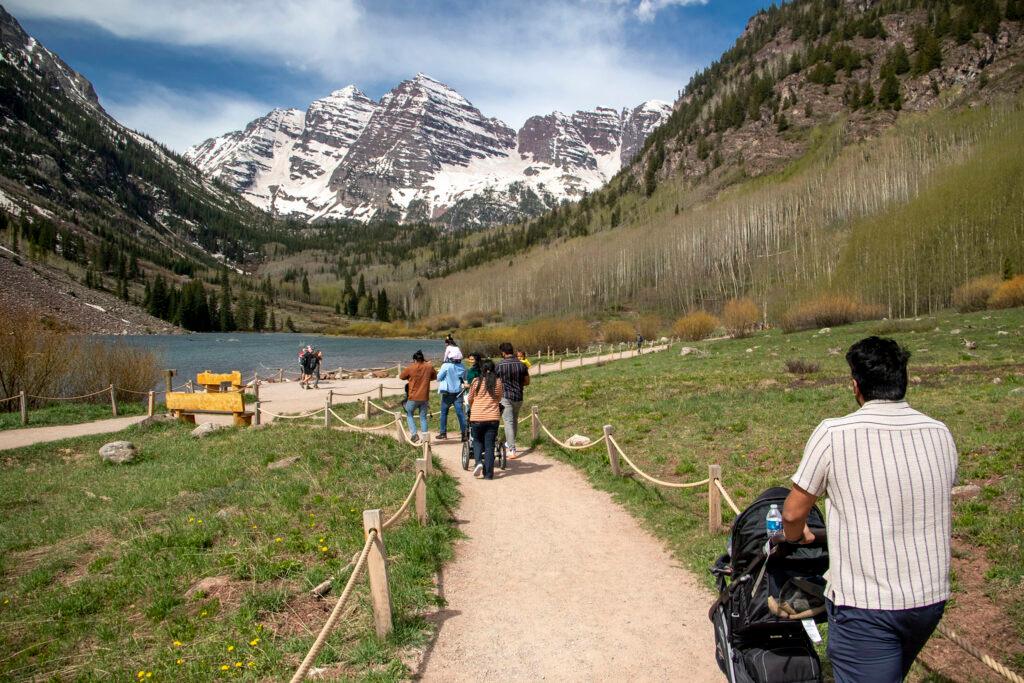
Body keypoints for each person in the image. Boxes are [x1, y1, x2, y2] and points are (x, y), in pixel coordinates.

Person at [782, 336, 958, 683]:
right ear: (903, 381)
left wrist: (794, 535)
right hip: (929, 599)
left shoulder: (834, 432)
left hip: (866, 605)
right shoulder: (940, 432)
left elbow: (791, 514)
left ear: (855, 386)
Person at [467, 358, 503, 479]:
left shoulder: (476, 381)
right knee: (489, 446)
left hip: (477, 416)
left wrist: (475, 405)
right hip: (492, 417)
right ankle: (488, 474)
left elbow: (469, 398)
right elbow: (498, 398)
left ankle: (478, 463)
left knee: (476, 440)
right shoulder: (497, 382)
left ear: (482, 369)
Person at [494, 342, 529, 459]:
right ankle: (509, 443)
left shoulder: (499, 366)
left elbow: (494, 382)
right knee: (514, 421)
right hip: (519, 396)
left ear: (503, 352)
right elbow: (527, 381)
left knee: (508, 422)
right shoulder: (522, 365)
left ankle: (511, 449)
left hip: (505, 396)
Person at [398, 350, 436, 444]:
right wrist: (426, 379)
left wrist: (410, 378)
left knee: (409, 413)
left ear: (414, 360)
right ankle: (425, 438)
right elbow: (434, 376)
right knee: (423, 417)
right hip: (424, 397)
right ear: (423, 359)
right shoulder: (429, 367)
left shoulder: (411, 367)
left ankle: (414, 434)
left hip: (413, 396)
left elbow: (401, 376)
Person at [436, 349, 467, 442]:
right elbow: (465, 378)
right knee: (460, 413)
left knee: (444, 413)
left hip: (447, 393)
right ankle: (464, 434)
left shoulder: (446, 366)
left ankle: (443, 433)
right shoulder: (462, 366)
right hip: (458, 392)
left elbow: (438, 378)